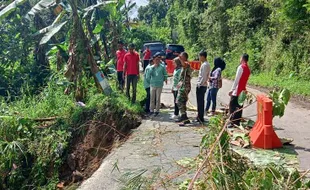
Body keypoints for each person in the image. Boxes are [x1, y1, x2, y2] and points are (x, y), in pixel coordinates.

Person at [228, 53, 251, 127]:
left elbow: (236, 80)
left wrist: (232, 89)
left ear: (242, 58)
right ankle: (237, 122)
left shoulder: (241, 67)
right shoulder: (248, 69)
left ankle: (232, 122)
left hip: (237, 90)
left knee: (232, 106)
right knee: (239, 107)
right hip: (243, 90)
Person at [176, 52, 192, 125]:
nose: (180, 58)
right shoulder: (183, 66)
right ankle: (184, 117)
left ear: (185, 57)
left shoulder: (187, 64)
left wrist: (180, 58)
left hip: (185, 86)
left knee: (179, 101)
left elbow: (184, 64)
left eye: (182, 57)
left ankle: (184, 116)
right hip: (182, 86)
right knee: (182, 102)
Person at [195, 50, 210, 123]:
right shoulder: (205, 64)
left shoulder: (205, 65)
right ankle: (199, 116)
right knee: (200, 101)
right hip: (203, 85)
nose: (199, 58)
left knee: (200, 102)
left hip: (202, 85)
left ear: (203, 56)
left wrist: (200, 84)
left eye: (199, 56)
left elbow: (204, 76)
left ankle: (200, 117)